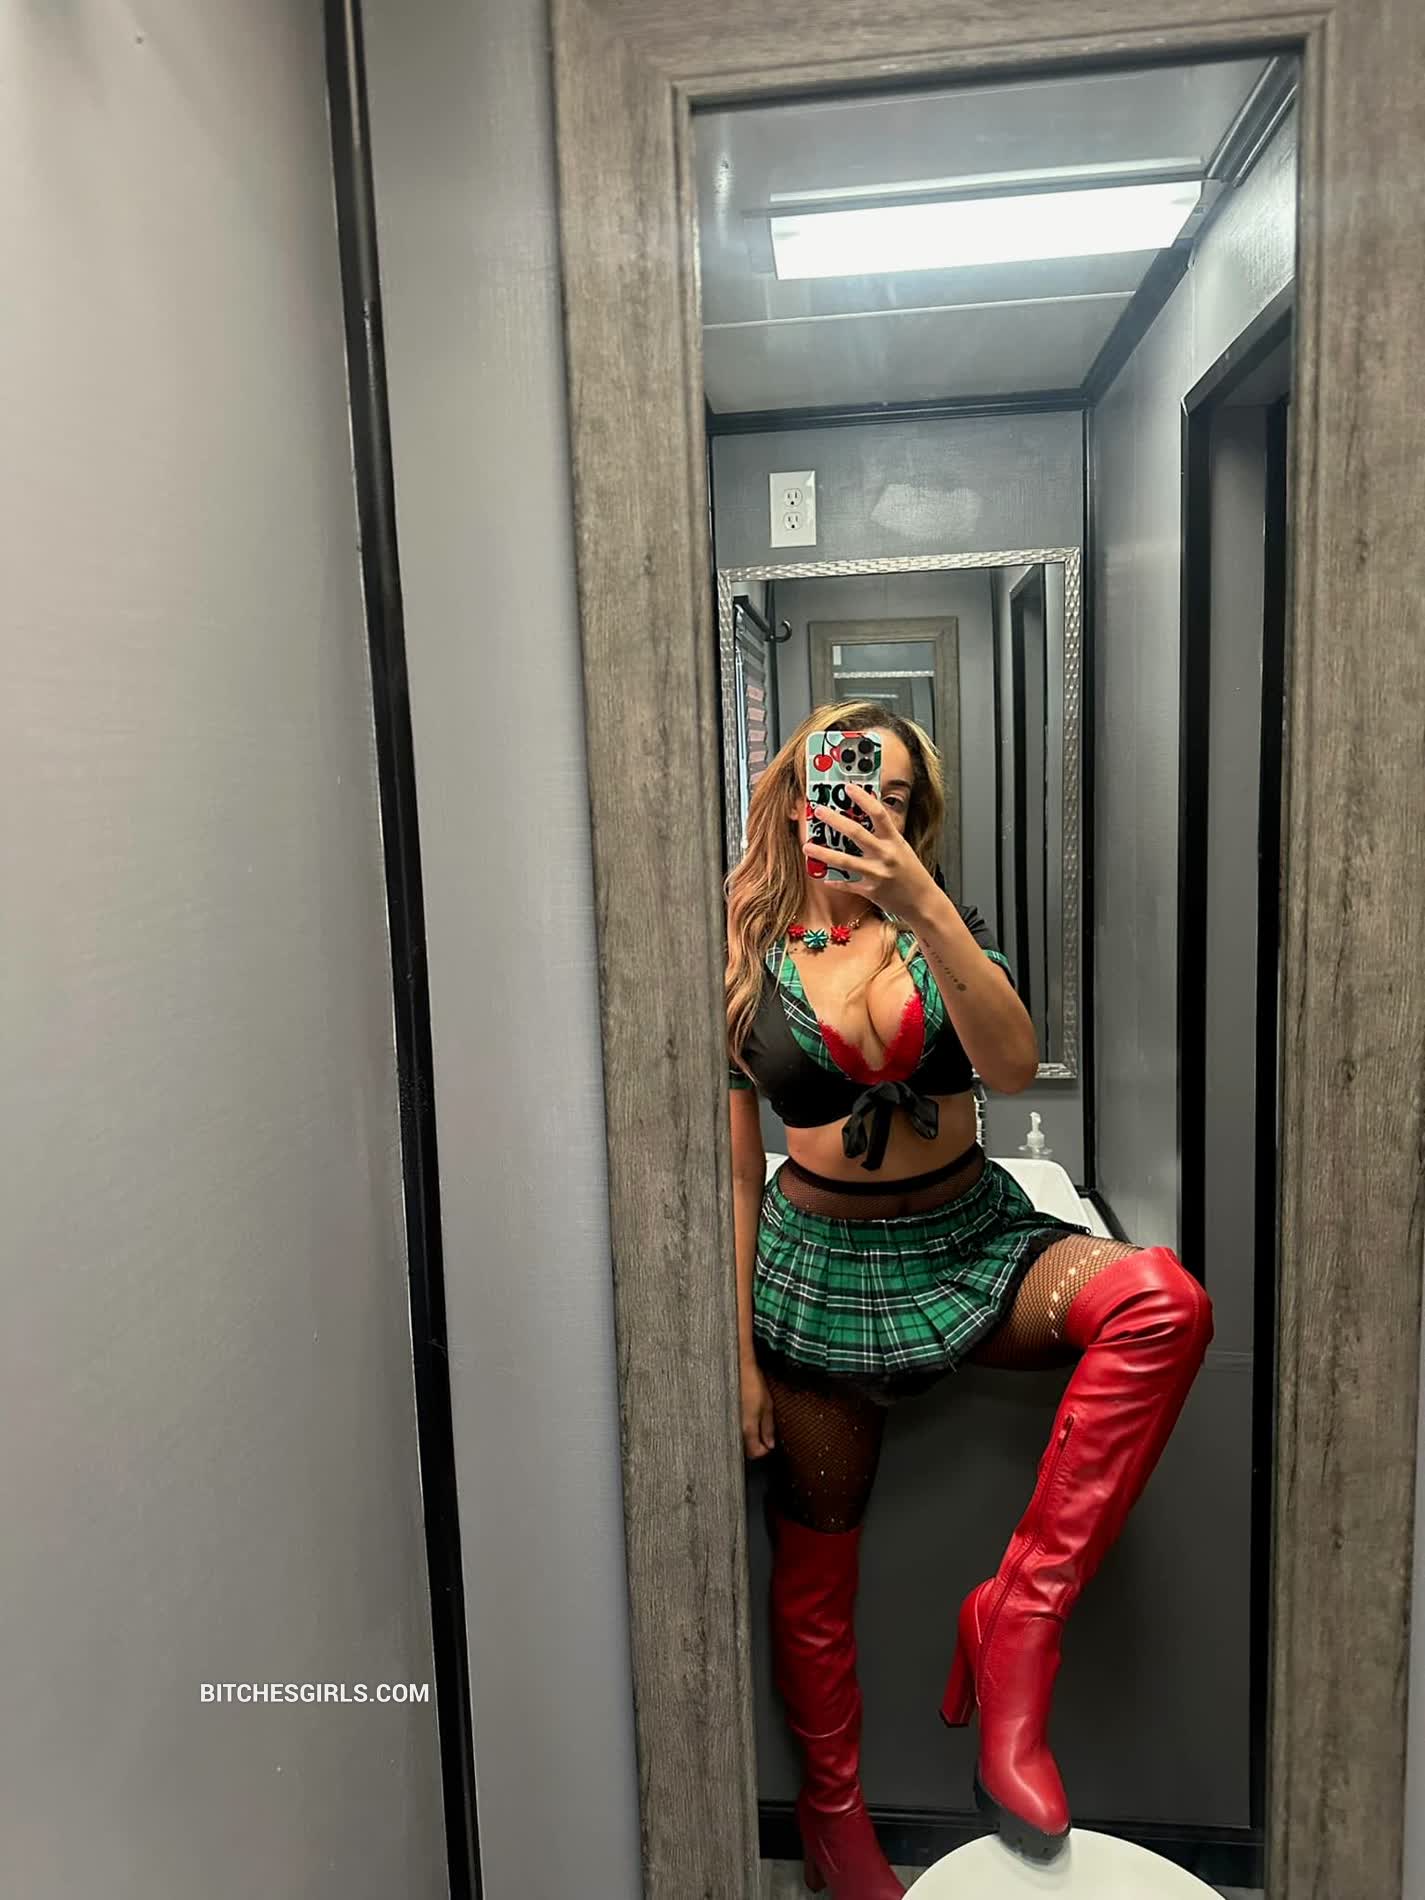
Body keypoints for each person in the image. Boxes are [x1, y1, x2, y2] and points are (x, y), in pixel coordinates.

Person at [725, 702, 1212, 1898]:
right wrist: (735, 1354)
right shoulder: (742, 951)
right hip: (817, 1274)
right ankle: (835, 1822)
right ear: (798, 795)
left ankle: (1017, 1618)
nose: (866, 807)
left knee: (1163, 1302)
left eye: (891, 795)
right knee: (813, 1572)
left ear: (916, 816)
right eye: (847, 785)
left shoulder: (942, 927)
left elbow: (1011, 1064)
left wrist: (923, 905)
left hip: (972, 1240)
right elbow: (734, 1172)